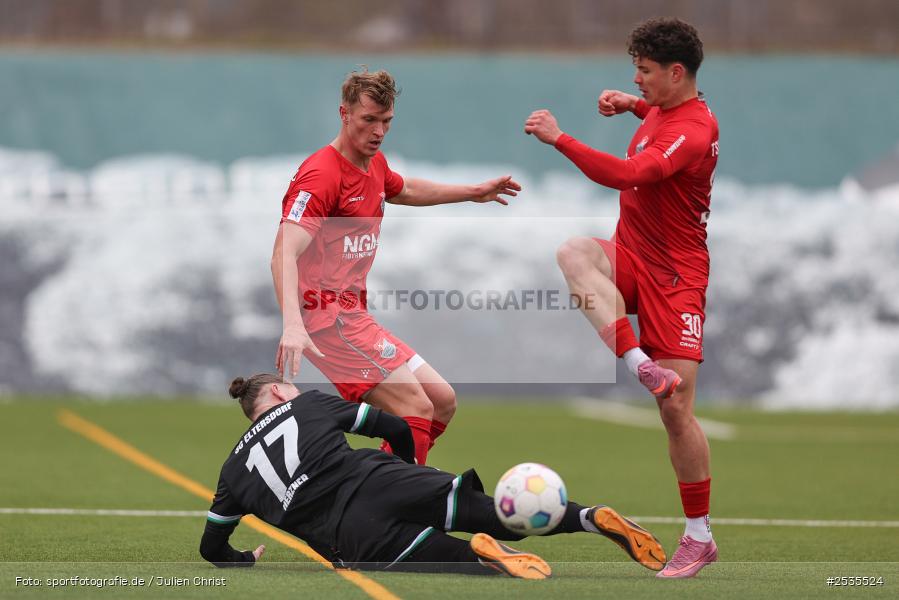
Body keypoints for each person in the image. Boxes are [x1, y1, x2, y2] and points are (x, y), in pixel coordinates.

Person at [524, 18, 719, 578]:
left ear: (676, 73)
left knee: (677, 412)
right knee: (573, 253)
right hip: (633, 256)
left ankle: (699, 536)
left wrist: (560, 138)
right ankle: (639, 364)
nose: (637, 77)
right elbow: (658, 115)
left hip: (677, 279)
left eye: (645, 71)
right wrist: (631, 104)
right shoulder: (662, 108)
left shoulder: (695, 131)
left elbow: (629, 173)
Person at [271, 68, 521, 467]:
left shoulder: (374, 163)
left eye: (386, 122)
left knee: (440, 401)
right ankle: (405, 510)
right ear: (344, 114)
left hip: (353, 316)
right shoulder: (321, 176)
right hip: (324, 321)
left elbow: (402, 189)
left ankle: (377, 489)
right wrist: (292, 324)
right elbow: (283, 251)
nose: (378, 131)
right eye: (368, 120)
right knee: (415, 408)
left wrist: (472, 192)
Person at [199, 374, 668, 578]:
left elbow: (211, 549)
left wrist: (243, 559)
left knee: (453, 559)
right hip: (383, 476)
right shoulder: (308, 403)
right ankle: (589, 516)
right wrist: (407, 473)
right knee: (493, 511)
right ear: (281, 391)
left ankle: (482, 556)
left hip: (350, 535)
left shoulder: (232, 472)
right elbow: (395, 426)